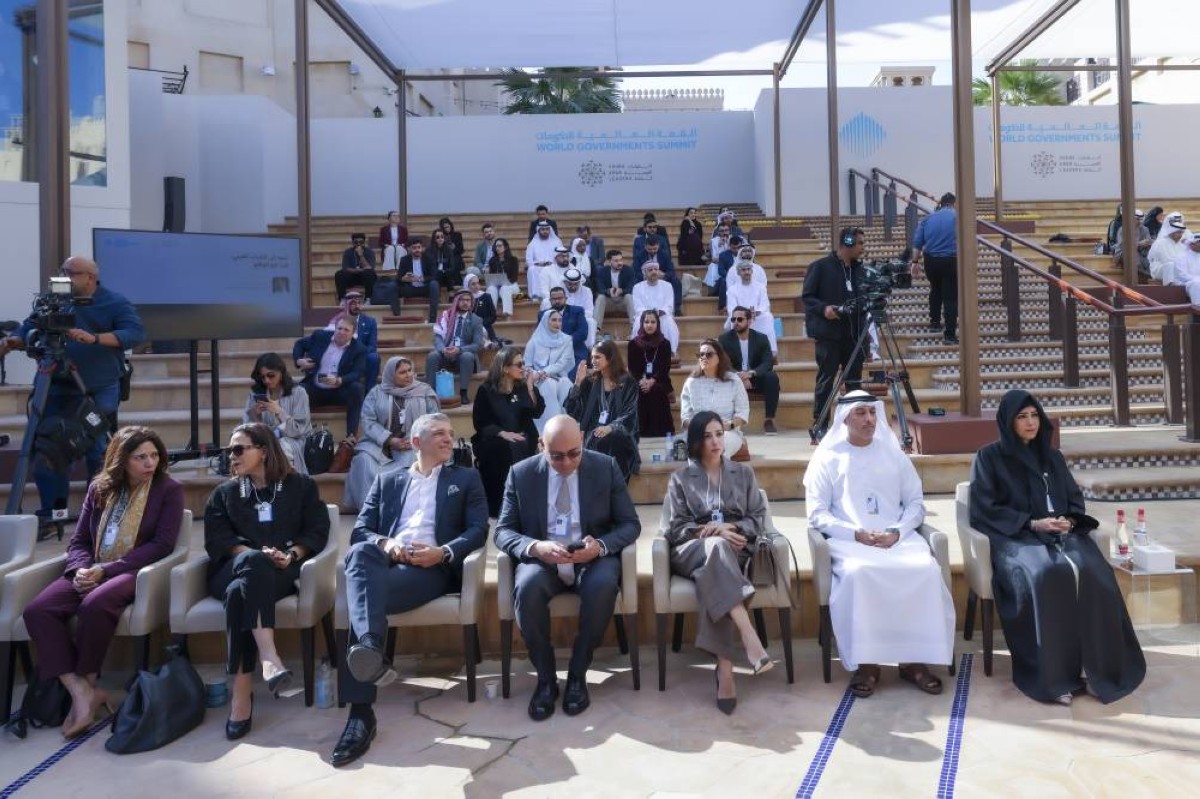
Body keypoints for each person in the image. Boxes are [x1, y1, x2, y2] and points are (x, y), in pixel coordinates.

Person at [970, 389, 1146, 705]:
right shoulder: (989, 458)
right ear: (1008, 422)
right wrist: (1033, 523)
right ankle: (1053, 678)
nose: (1030, 422)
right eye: (1022, 417)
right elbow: (985, 508)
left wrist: (1068, 519)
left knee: (1095, 572)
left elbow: (1074, 498)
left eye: (1034, 415)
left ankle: (1097, 670)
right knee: (1045, 574)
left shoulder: (1053, 457)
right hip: (1018, 537)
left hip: (1063, 534)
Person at [331, 413, 488, 766]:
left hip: (430, 568)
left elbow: (478, 530)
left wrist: (442, 552)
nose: (448, 439)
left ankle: (360, 715)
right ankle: (370, 650)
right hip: (387, 561)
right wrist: (387, 544)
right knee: (360, 554)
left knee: (362, 597)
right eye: (439, 433)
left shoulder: (466, 478)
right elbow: (361, 531)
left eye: (450, 433)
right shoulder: (387, 479)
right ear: (416, 442)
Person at [22, 426, 183, 738]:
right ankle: (79, 690)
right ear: (121, 460)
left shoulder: (168, 489)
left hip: (135, 570)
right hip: (92, 568)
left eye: (154, 455)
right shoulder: (99, 489)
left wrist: (106, 571)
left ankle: (89, 679)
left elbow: (162, 545)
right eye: (140, 457)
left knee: (95, 604)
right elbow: (80, 540)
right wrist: (81, 570)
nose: (150, 463)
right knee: (37, 611)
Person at [803, 390, 956, 698]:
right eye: (861, 413)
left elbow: (915, 504)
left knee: (925, 570)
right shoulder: (827, 458)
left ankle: (913, 661)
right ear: (844, 419)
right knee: (860, 573)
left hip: (896, 539)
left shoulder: (894, 455)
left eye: (872, 412)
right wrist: (855, 534)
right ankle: (867, 664)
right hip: (850, 541)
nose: (869, 419)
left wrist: (897, 532)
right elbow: (817, 514)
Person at [493, 415, 641, 722]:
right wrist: (536, 547)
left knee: (603, 586)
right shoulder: (521, 474)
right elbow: (503, 531)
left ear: (583, 439)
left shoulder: (605, 467)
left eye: (574, 453)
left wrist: (599, 546)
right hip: (544, 559)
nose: (566, 463)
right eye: (557, 456)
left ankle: (577, 673)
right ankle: (546, 678)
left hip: (590, 557)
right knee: (527, 587)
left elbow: (630, 524)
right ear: (541, 446)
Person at [204, 422, 330, 740]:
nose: (231, 456)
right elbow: (217, 540)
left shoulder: (301, 486)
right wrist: (256, 555)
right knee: (252, 564)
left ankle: (241, 691)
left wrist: (291, 555)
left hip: (281, 572)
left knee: (239, 595)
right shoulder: (224, 493)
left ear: (263, 451)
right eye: (229, 450)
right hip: (229, 569)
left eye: (238, 449)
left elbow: (317, 530)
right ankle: (269, 657)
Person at [0, 256, 146, 518]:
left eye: (72, 273)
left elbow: (134, 333)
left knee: (96, 449)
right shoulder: (54, 300)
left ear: (91, 277)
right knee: (48, 449)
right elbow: (31, 325)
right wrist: (15, 340)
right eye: (63, 272)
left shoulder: (115, 302)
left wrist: (94, 338)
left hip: (97, 388)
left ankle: (98, 513)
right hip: (54, 386)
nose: (65, 277)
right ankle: (52, 513)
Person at [665, 411, 774, 714]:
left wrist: (732, 528)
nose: (715, 441)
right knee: (716, 547)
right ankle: (748, 636)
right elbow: (676, 528)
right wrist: (713, 531)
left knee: (715, 566)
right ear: (696, 442)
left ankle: (725, 669)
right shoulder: (680, 479)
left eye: (719, 434)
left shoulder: (743, 473)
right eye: (707, 436)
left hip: (736, 548)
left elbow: (757, 518)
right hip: (692, 549)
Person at [343, 357, 439, 511]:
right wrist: (388, 439)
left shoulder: (424, 391)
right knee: (363, 461)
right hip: (378, 444)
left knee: (413, 463)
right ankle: (370, 510)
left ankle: (400, 510)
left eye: (410, 370)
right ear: (390, 375)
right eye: (402, 372)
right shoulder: (376, 393)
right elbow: (368, 420)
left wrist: (417, 439)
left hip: (412, 444)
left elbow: (434, 420)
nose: (408, 375)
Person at [802, 227, 869, 438]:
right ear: (847, 242)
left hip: (854, 335)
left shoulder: (861, 271)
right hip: (828, 334)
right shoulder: (820, 267)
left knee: (854, 382)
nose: (863, 248)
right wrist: (824, 309)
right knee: (826, 380)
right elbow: (808, 297)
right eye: (859, 243)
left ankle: (854, 424)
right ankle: (820, 425)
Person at [472, 347, 545, 517]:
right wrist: (502, 433)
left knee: (526, 444)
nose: (523, 368)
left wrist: (530, 386)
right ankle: (505, 506)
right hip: (495, 437)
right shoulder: (487, 390)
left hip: (524, 435)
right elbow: (480, 422)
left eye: (524, 363)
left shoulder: (523, 387)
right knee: (506, 448)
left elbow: (537, 411)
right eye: (519, 364)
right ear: (505, 368)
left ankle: (528, 503)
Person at [566, 340, 640, 481]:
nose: (593, 361)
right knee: (598, 438)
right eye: (592, 357)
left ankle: (615, 484)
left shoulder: (627, 382)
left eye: (598, 357)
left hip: (620, 431)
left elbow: (630, 413)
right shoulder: (589, 381)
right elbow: (572, 412)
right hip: (593, 432)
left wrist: (611, 427)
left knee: (612, 439)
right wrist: (577, 383)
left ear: (610, 358)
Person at [293, 315, 367, 437]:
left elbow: (358, 372)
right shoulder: (320, 337)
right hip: (316, 387)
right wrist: (298, 360)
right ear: (335, 328)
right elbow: (299, 344)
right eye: (339, 328)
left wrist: (340, 380)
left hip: (339, 390)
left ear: (353, 333)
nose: (342, 332)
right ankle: (300, 433)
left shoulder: (359, 349)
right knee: (298, 390)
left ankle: (351, 437)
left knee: (357, 388)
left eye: (346, 330)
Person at [243, 352, 313, 475]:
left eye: (271, 375)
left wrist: (279, 412)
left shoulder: (298, 393)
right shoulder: (255, 395)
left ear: (281, 372)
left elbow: (299, 430)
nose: (266, 380)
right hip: (265, 440)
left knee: (278, 448)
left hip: (294, 441)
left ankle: (281, 483)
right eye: (262, 377)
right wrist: (256, 416)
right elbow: (247, 430)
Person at [680, 340, 750, 458]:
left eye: (709, 354)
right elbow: (686, 416)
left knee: (718, 445)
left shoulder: (733, 381)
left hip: (727, 432)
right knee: (689, 446)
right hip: (699, 432)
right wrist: (700, 428)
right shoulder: (691, 382)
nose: (704, 357)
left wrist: (729, 425)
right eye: (701, 354)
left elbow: (743, 412)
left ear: (720, 357)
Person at [719, 308, 780, 435]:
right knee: (721, 377)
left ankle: (769, 420)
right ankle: (727, 420)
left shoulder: (761, 338)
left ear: (749, 321)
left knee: (772, 377)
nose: (736, 322)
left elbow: (767, 362)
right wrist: (740, 376)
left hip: (755, 377)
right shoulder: (724, 339)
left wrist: (751, 374)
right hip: (734, 378)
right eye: (733, 319)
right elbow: (723, 363)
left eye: (740, 319)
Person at [911, 192, 959, 344]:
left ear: (940, 204)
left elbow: (917, 244)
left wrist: (914, 262)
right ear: (953, 203)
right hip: (951, 260)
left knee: (935, 289)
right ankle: (949, 335)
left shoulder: (927, 218)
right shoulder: (958, 217)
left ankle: (935, 323)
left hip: (931, 261)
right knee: (950, 297)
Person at [425, 289, 487, 406]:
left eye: (468, 300)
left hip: (463, 355)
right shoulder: (446, 316)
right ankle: (430, 393)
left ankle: (463, 392)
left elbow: (477, 344)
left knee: (467, 356)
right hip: (446, 353)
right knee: (432, 356)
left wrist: (459, 350)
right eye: (462, 300)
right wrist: (443, 349)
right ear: (456, 301)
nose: (465, 303)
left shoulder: (476, 320)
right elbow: (437, 338)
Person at [523, 309, 576, 433]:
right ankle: (549, 432)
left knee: (567, 385)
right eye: (554, 320)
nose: (557, 323)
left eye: (560, 320)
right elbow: (527, 365)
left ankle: (568, 431)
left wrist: (543, 372)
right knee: (548, 385)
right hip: (538, 380)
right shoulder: (534, 341)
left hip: (559, 377)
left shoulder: (567, 340)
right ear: (546, 321)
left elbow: (562, 363)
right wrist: (536, 373)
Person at [627, 310, 675, 438]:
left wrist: (652, 380)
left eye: (653, 322)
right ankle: (640, 432)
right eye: (646, 322)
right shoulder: (633, 344)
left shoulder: (665, 344)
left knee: (656, 390)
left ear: (657, 324)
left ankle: (659, 433)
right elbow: (633, 369)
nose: (649, 325)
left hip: (660, 379)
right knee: (641, 390)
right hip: (639, 380)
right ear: (641, 324)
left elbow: (665, 368)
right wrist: (643, 380)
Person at [326, 289, 379, 389]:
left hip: (362, 355)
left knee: (373, 357)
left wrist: (359, 354)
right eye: (353, 303)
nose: (357, 306)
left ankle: (370, 391)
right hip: (342, 355)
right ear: (347, 304)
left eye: (359, 303)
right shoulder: (337, 321)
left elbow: (372, 345)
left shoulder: (370, 321)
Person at [725, 262, 778, 356]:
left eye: (748, 269)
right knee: (736, 320)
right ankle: (739, 353)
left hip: (757, 316)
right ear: (738, 273)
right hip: (740, 316)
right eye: (743, 270)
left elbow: (765, 304)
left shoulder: (760, 287)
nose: (747, 272)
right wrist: (745, 314)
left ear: (752, 271)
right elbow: (732, 308)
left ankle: (770, 352)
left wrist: (757, 312)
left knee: (768, 317)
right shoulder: (732, 289)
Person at [630, 261, 680, 355]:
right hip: (644, 316)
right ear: (645, 273)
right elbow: (638, 307)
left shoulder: (667, 286)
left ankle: (670, 351)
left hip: (661, 314)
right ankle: (638, 352)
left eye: (656, 269)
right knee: (638, 322)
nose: (653, 272)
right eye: (650, 270)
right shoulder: (637, 287)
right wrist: (650, 314)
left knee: (668, 321)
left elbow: (668, 305)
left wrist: (659, 312)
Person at [540, 286, 590, 366]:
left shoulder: (577, 311)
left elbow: (582, 333)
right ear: (550, 300)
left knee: (569, 373)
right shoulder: (543, 315)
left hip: (574, 352)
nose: (557, 301)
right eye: (554, 299)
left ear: (565, 298)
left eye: (560, 298)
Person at [633, 234, 682, 316]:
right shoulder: (639, 256)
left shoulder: (664, 254)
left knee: (676, 281)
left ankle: (676, 308)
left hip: (661, 278)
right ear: (645, 247)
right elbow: (635, 271)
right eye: (650, 249)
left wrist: (664, 275)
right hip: (645, 279)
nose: (652, 251)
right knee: (635, 282)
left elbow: (671, 270)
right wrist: (646, 275)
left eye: (654, 249)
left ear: (658, 246)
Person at [395, 237, 441, 323]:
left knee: (434, 284)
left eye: (419, 247)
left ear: (422, 248)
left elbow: (435, 276)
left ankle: (432, 319)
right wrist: (404, 278)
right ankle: (397, 316)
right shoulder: (404, 260)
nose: (417, 250)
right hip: (410, 289)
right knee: (392, 286)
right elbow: (398, 278)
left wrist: (421, 279)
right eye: (414, 248)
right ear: (409, 249)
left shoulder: (429, 258)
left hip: (425, 288)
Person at [594, 249, 637, 331]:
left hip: (623, 302)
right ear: (609, 262)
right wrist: (608, 291)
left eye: (621, 260)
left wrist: (622, 291)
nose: (620, 263)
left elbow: (631, 288)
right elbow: (599, 288)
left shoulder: (629, 270)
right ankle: (596, 330)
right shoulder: (602, 271)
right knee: (600, 298)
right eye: (616, 261)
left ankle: (635, 329)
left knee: (629, 297)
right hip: (609, 302)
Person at [525, 221, 563, 300]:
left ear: (550, 230)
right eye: (542, 229)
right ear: (538, 230)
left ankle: (553, 295)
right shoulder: (533, 243)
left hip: (552, 266)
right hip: (537, 267)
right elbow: (529, 259)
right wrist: (534, 265)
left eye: (547, 229)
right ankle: (535, 295)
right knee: (531, 269)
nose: (545, 231)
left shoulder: (556, 242)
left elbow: (560, 255)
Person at [485, 237, 521, 319]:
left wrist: (505, 282)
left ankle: (507, 313)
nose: (497, 248)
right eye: (496, 246)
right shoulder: (492, 260)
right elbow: (492, 276)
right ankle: (491, 313)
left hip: (511, 285)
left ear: (505, 247)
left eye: (500, 246)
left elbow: (514, 277)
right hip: (497, 286)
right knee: (491, 288)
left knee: (505, 288)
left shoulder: (513, 260)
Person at [335, 233, 377, 302]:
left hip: (365, 278)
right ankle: (342, 299)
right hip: (352, 276)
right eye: (356, 242)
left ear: (364, 242)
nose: (358, 244)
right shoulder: (348, 252)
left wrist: (361, 255)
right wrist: (360, 270)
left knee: (369, 273)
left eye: (361, 242)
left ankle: (368, 299)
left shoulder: (369, 252)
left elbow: (370, 268)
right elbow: (345, 268)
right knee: (339, 274)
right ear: (352, 243)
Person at [1113, 209, 1152, 279]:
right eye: (1137, 219)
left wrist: (1148, 243)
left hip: (1141, 252)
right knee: (1133, 254)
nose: (1139, 222)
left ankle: (1146, 273)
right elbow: (1123, 245)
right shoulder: (1123, 229)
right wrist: (1139, 244)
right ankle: (1146, 274)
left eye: (1141, 220)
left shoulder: (1145, 229)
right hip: (1124, 253)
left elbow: (1149, 241)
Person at [1149, 213, 1188, 282]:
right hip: (1160, 269)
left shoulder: (1181, 245)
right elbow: (1166, 260)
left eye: (1181, 233)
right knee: (1170, 265)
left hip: (1177, 269)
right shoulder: (1160, 243)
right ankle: (1170, 284)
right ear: (1172, 232)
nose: (1180, 235)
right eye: (1178, 233)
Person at [465, 274, 501, 346]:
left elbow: (493, 316)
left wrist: (481, 323)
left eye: (478, 283)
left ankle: (486, 343)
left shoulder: (486, 296)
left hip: (484, 326)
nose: (476, 286)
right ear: (467, 285)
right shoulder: (463, 298)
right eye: (473, 284)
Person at [1168, 233, 1200, 302]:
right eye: (1199, 242)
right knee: (1196, 284)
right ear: (1191, 244)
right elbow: (1182, 275)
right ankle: (1198, 306)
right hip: (1184, 283)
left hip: (1196, 281)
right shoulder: (1181, 257)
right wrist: (1197, 279)